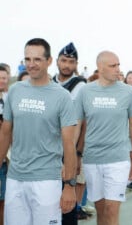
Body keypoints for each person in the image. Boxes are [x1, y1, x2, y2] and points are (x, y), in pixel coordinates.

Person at [0, 38, 77, 225]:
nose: (31, 65)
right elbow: (5, 133)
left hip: (47, 181)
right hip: (15, 178)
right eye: (27, 59)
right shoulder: (15, 90)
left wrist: (69, 185)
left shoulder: (62, 96)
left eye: (37, 60)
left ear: (49, 61)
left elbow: (69, 144)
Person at [75, 51, 132, 225]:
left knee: (112, 210)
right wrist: (73, 156)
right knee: (101, 210)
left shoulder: (128, 92)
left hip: (118, 159)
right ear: (100, 67)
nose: (118, 69)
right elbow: (78, 126)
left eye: (118, 65)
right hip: (92, 159)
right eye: (113, 66)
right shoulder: (85, 91)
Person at [53, 42, 92, 222]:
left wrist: (77, 153)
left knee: (67, 204)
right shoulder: (49, 83)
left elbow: (83, 123)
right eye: (64, 60)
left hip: (69, 149)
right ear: (57, 61)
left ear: (76, 64)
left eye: (71, 61)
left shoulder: (81, 86)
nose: (67, 65)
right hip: (48, 150)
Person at [0, 65, 10, 225]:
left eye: (4, 77)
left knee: (3, 201)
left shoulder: (9, 98)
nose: (1, 81)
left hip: (6, 158)